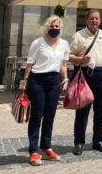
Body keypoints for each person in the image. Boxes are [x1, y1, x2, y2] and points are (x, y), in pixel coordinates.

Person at [19, 15, 69, 166]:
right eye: (52, 26)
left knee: (50, 116)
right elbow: (29, 63)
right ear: (47, 27)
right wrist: (24, 83)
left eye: (57, 26)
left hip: (54, 81)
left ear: (61, 28)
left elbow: (63, 63)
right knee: (37, 115)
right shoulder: (38, 43)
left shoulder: (64, 44)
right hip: (37, 80)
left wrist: (65, 79)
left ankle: (46, 147)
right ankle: (33, 151)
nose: (54, 29)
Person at [69, 9, 102, 155]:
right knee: (83, 110)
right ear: (86, 20)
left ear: (100, 20)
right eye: (91, 18)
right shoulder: (78, 36)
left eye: (97, 18)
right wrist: (80, 60)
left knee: (100, 111)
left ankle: (98, 141)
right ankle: (79, 142)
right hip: (85, 74)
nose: (94, 21)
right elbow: (69, 55)